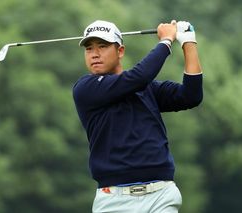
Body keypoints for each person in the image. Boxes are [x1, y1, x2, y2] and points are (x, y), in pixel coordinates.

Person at [72, 19, 203, 213]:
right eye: (89, 48)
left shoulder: (147, 89)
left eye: (102, 46)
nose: (95, 54)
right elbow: (138, 77)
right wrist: (166, 40)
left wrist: (188, 42)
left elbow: (191, 96)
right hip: (113, 201)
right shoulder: (85, 89)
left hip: (161, 195)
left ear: (120, 51)